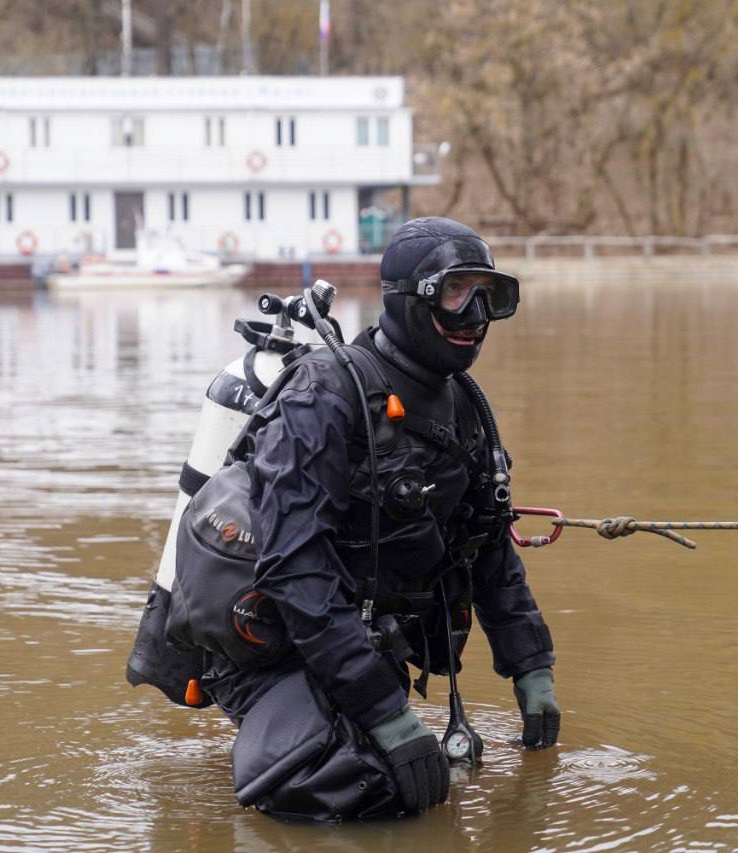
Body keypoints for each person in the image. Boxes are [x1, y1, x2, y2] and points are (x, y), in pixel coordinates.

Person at [201, 217, 560, 821]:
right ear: (408, 298)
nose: (475, 313)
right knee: (362, 790)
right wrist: (385, 714)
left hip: (361, 639)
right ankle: (288, 729)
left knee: (429, 785)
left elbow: (487, 546)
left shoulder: (465, 407)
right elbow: (294, 568)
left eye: (490, 295)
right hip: (274, 639)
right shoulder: (324, 397)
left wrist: (531, 665)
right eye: (457, 291)